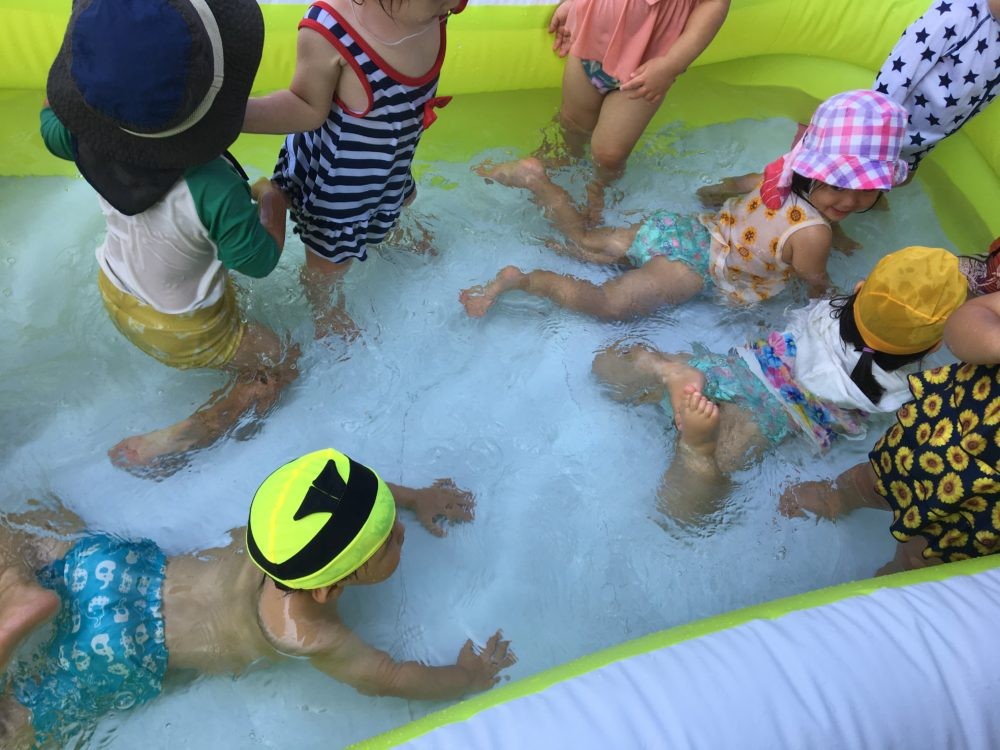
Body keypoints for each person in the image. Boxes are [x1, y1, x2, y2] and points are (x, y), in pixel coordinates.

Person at [0, 449, 514, 748]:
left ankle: (14, 585)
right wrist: (465, 679)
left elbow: (349, 494)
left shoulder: (277, 530)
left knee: (25, 529)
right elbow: (389, 679)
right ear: (326, 590)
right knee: (20, 727)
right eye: (387, 544)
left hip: (116, 571)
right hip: (124, 649)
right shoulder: (308, 633)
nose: (400, 535)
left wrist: (414, 497)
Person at [42, 0, 298, 478]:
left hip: (116, 289)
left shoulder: (78, 138)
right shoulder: (214, 187)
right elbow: (259, 260)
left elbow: (49, 117)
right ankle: (199, 427)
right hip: (187, 330)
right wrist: (273, 200)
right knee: (283, 361)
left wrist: (80, 89)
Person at [591, 246, 967, 523]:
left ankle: (664, 369)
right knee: (686, 513)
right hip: (767, 418)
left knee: (606, 365)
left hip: (738, 368)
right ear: (936, 345)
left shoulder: (828, 308)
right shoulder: (899, 391)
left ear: (859, 288)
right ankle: (698, 449)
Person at [461, 90, 909, 321]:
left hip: (682, 230)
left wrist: (704, 200)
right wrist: (829, 306)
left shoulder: (774, 175)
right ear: (815, 172)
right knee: (607, 305)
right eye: (840, 187)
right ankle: (522, 281)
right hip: (693, 270)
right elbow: (814, 286)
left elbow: (720, 190)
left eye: (866, 190)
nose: (850, 199)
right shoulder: (814, 235)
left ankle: (535, 180)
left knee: (583, 239)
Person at [242, 0, 466, 338]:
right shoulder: (332, 28)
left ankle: (385, 226)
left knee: (397, 202)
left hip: (389, 165)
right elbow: (304, 105)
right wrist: (232, 115)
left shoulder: (440, 8)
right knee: (329, 261)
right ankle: (323, 306)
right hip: (338, 184)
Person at [698, 0, 1000, 226]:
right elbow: (901, 68)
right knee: (803, 182)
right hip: (877, 128)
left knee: (888, 182)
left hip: (924, 137)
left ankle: (839, 209)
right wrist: (876, 130)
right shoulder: (957, 15)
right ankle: (731, 189)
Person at [781, 288, 1000, 574]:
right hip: (939, 433)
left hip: (984, 507)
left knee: (921, 560)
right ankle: (839, 496)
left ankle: (892, 582)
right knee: (870, 480)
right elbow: (965, 321)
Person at [544, 0, 730, 217]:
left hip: (645, 72)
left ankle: (599, 188)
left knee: (609, 154)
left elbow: (714, 4)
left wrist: (671, 65)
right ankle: (560, 162)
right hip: (589, 46)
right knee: (572, 121)